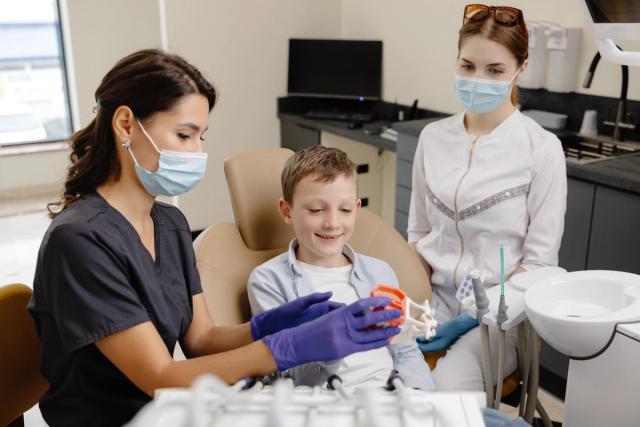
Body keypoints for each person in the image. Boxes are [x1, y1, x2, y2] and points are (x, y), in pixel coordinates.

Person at [27, 49, 401, 427]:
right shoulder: (79, 241)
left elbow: (201, 339)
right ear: (125, 124)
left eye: (201, 137)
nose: (198, 153)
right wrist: (289, 347)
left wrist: (268, 325)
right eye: (184, 135)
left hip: (172, 412)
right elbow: (160, 378)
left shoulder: (169, 224)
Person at [409, 4, 567, 391]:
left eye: (494, 70)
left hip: (499, 315)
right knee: (377, 372)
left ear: (520, 67)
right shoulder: (432, 138)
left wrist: (477, 314)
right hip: (431, 299)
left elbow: (540, 262)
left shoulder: (541, 149)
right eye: (467, 66)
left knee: (446, 391)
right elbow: (418, 231)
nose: (478, 79)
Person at [247, 145, 435, 391]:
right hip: (334, 406)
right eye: (316, 210)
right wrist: (333, 340)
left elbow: (406, 351)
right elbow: (288, 373)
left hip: (397, 398)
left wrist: (420, 397)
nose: (333, 223)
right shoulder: (269, 281)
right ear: (286, 210)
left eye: (345, 210)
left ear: (356, 209)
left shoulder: (379, 272)